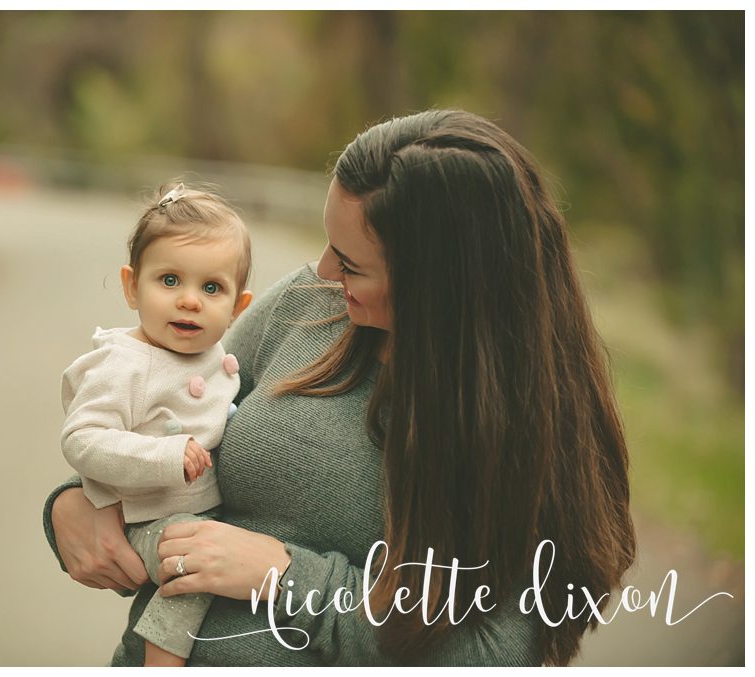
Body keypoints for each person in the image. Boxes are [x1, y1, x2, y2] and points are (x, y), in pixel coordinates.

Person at [41, 109, 635, 666]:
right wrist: (71, 502)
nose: (323, 271)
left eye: (351, 263)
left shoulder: (524, 432)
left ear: (436, 286)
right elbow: (165, 399)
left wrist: (284, 575)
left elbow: (490, 653)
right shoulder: (306, 307)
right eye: (329, 245)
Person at [58, 182, 253, 666]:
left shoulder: (214, 356)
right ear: (131, 286)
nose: (189, 301)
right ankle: (160, 665)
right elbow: (82, 440)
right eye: (169, 280)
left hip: (200, 511)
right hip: (151, 520)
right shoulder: (125, 364)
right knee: (193, 568)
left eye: (211, 288)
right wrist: (166, 456)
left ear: (238, 308)